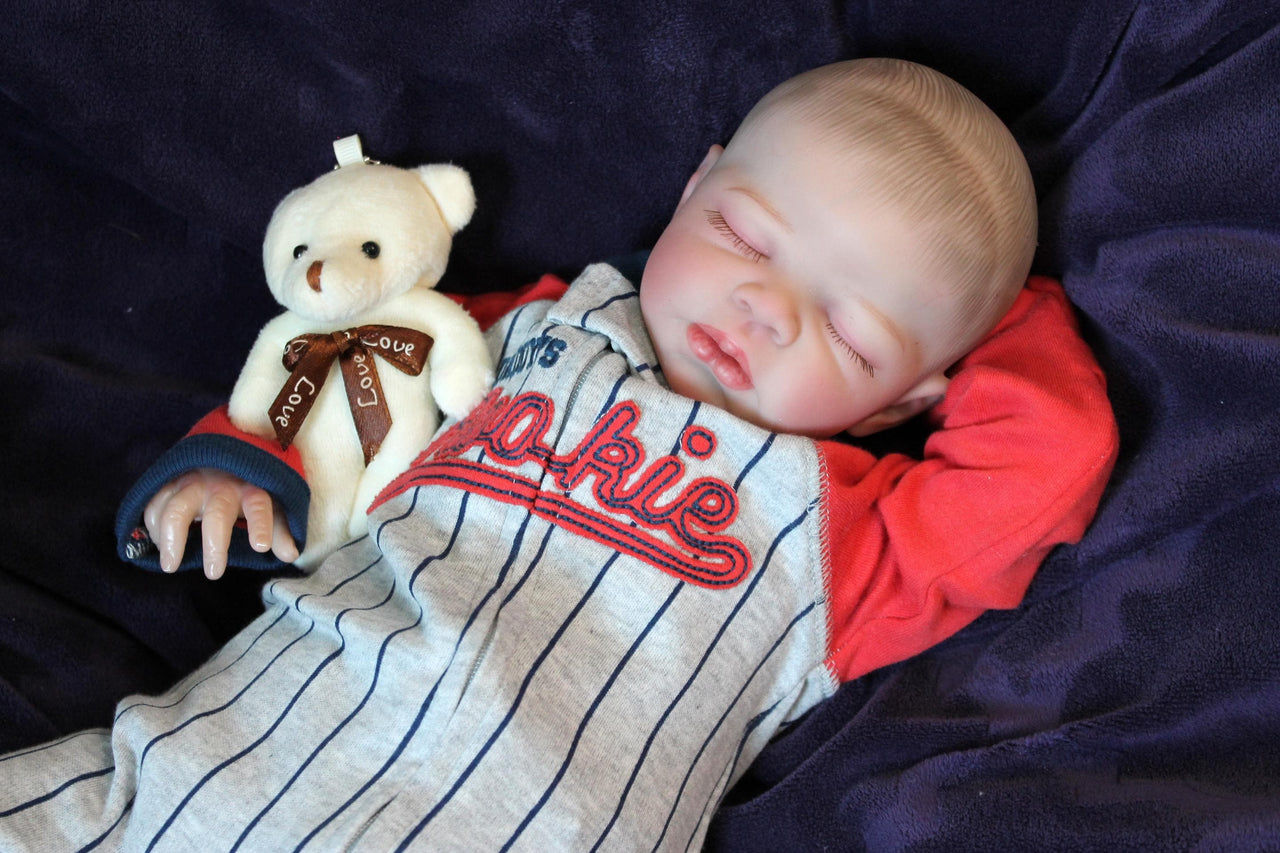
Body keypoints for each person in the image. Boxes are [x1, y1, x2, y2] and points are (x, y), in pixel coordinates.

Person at [0, 58, 1117, 850]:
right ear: (693, 185)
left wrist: (987, 299)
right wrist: (234, 466)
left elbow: (1047, 454)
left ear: (901, 400)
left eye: (848, 327)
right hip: (214, 759)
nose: (761, 304)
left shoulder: (856, 533)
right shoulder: (539, 325)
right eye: (740, 233)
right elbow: (345, 370)